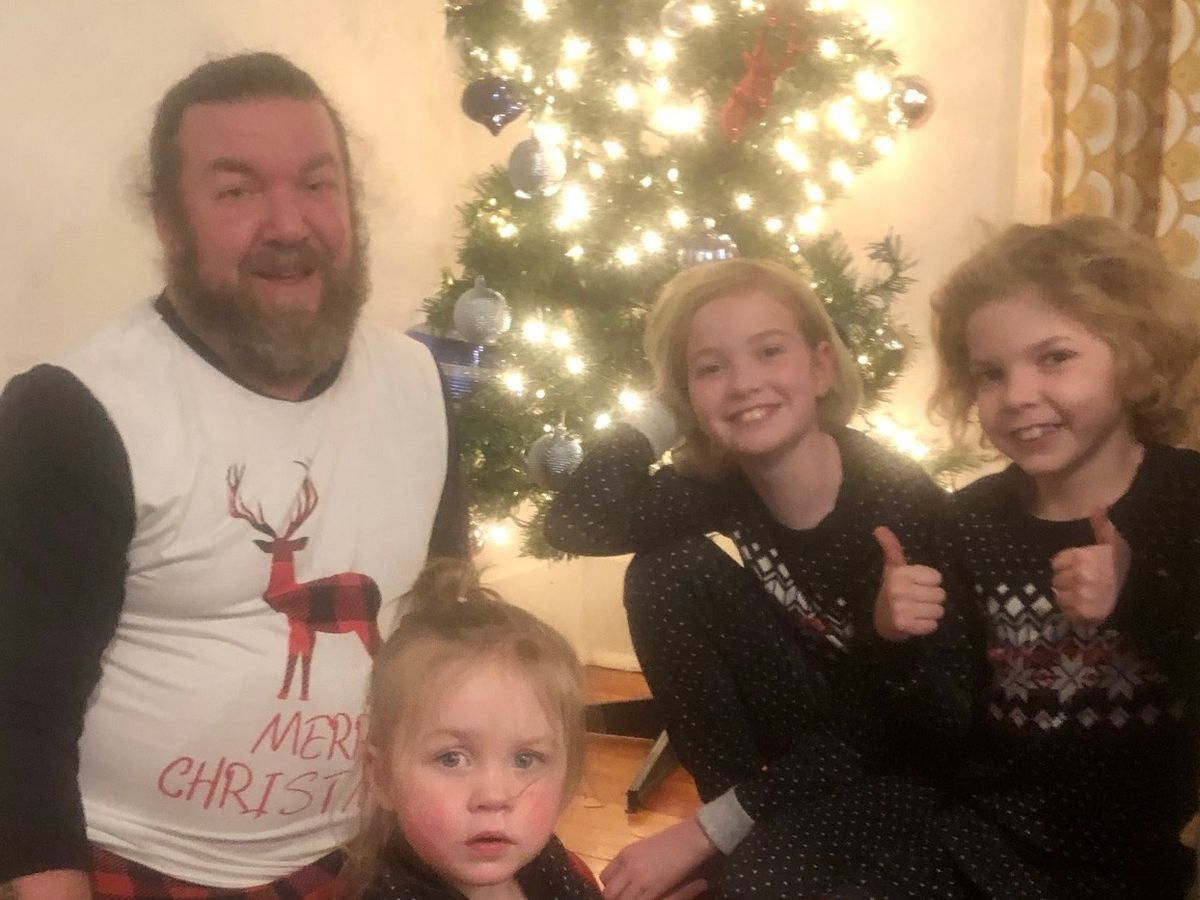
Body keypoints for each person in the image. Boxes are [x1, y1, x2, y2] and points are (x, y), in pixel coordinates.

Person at [0, 52, 467, 899]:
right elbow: (16, 710)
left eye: (318, 184)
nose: (288, 223)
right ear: (168, 221)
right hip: (133, 856)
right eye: (237, 191)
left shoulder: (419, 386)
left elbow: (450, 631)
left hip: (380, 838)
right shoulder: (74, 412)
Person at [545, 258, 959, 898]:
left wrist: (703, 832)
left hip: (908, 764)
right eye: (711, 368)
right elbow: (576, 520)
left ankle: (735, 834)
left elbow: (916, 725)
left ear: (820, 368)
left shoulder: (897, 504)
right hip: (818, 733)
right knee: (664, 572)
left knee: (761, 882)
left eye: (769, 351)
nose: (743, 383)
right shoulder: (722, 485)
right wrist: (666, 410)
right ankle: (734, 831)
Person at [874, 214, 1200, 898]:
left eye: (1054, 357)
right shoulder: (968, 522)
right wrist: (897, 637)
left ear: (1135, 357)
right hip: (985, 841)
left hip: (1138, 859)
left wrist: (1136, 597)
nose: (1018, 395)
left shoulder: (1186, 500)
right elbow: (939, 728)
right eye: (991, 373)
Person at [339, 558, 601, 900]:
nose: (494, 797)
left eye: (525, 759)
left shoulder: (546, 861)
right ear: (382, 776)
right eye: (451, 758)